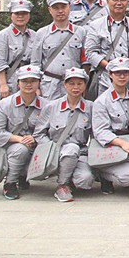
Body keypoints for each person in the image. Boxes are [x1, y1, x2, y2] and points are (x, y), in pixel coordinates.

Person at [33, 67, 94, 202]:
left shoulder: (90, 107)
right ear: (64, 85)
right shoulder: (52, 107)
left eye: (80, 83)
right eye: (71, 83)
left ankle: (69, 176)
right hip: (55, 151)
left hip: (80, 153)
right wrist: (50, 148)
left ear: (85, 85)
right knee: (71, 148)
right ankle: (62, 185)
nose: (75, 87)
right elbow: (39, 133)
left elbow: (95, 135)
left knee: (85, 180)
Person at [0, 65, 46, 200]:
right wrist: (19, 139)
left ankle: (23, 174)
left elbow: (52, 131)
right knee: (21, 149)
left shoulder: (47, 105)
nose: (29, 84)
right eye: (24, 81)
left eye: (33, 81)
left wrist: (35, 138)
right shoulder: (4, 104)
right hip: (10, 146)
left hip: (36, 145)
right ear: (18, 83)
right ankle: (10, 182)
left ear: (39, 83)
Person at [91, 57, 129, 194]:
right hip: (113, 146)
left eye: (126, 72)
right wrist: (121, 143)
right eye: (118, 73)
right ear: (110, 75)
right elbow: (100, 131)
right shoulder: (102, 101)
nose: (122, 76)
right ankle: (102, 173)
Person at [31, 0, 87, 100]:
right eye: (56, 8)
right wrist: (36, 87)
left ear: (69, 7)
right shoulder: (42, 33)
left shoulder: (81, 32)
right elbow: (35, 63)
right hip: (49, 85)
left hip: (73, 85)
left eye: (63, 7)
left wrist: (84, 85)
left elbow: (85, 62)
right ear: (50, 10)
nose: (60, 11)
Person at [85, 0, 129, 98]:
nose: (119, 3)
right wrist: (110, 66)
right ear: (107, 1)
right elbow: (90, 53)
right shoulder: (96, 25)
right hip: (105, 79)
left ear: (127, 2)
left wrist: (128, 66)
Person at [0, 0, 36, 99]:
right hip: (10, 81)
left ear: (29, 15)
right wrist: (3, 84)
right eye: (17, 13)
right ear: (11, 15)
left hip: (29, 81)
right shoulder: (3, 35)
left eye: (24, 13)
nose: (20, 16)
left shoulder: (34, 35)